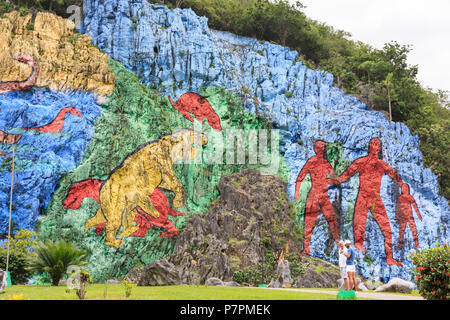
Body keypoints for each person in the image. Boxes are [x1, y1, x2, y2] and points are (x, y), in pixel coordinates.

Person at [330, 138, 403, 266]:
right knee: (359, 225)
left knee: (387, 229)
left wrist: (403, 187)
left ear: (379, 148)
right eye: (372, 143)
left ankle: (389, 257)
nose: (373, 146)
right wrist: (333, 180)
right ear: (369, 146)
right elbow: (345, 176)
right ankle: (359, 248)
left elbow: (395, 176)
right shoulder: (361, 162)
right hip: (363, 196)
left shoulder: (382, 165)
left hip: (375, 198)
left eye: (376, 144)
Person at [295, 140, 340, 255]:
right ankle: (306, 248)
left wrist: (327, 180)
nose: (320, 148)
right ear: (315, 148)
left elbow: (335, 179)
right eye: (318, 146)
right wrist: (297, 192)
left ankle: (339, 243)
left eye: (322, 147)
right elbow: (300, 177)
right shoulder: (311, 161)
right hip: (314, 194)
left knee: (332, 219)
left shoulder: (326, 163)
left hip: (323, 194)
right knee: (309, 220)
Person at [395, 184, 422, 250]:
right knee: (401, 232)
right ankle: (400, 245)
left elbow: (415, 207)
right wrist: (396, 217)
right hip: (403, 217)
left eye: (406, 189)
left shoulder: (410, 197)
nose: (405, 190)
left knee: (413, 230)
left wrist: (419, 216)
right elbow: (397, 208)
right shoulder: (400, 198)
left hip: (409, 216)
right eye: (404, 189)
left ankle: (416, 244)